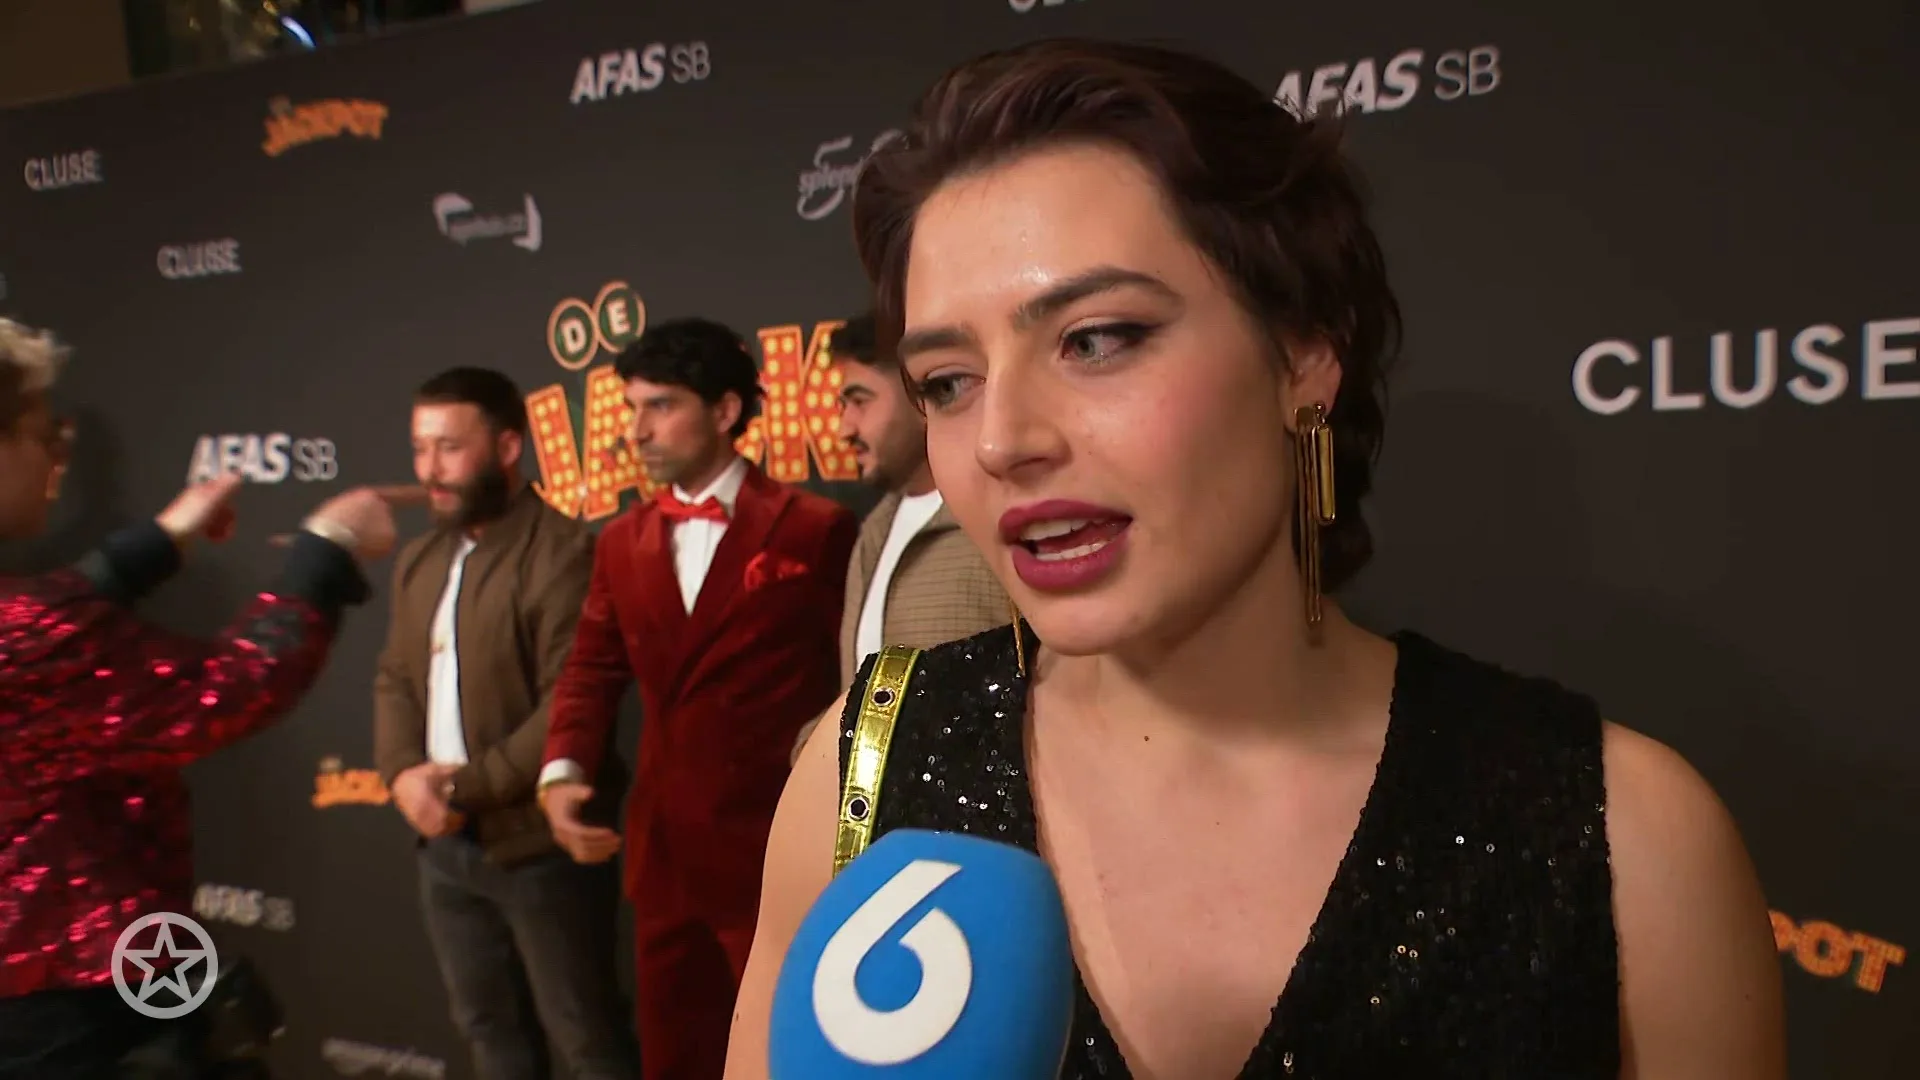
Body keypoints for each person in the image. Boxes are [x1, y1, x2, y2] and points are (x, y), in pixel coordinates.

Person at [725, 40, 1787, 1080]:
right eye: (948, 382)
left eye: (1095, 339)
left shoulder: (1626, 838)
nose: (1002, 440)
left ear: (1303, 354)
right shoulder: (863, 772)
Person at [0, 316, 407, 1077]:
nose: (58, 455)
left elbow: (60, 611)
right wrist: (328, 551)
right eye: (41, 433)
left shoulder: (34, 621)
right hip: (70, 1009)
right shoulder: (28, 633)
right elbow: (235, 685)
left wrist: (157, 544)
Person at [537, 318, 858, 1080]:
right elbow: (591, 668)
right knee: (674, 1057)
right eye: (632, 408)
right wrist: (563, 769)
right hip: (665, 855)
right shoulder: (620, 541)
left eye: (661, 406)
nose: (637, 431)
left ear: (724, 410)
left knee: (785, 1057)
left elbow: (853, 672)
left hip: (776, 846)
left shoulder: (815, 529)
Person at [373, 367, 638, 1080]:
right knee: (489, 1032)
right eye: (420, 448)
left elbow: (569, 704)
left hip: (541, 849)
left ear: (509, 447)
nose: (430, 470)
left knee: (587, 1039)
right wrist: (401, 775)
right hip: (444, 850)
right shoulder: (420, 559)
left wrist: (457, 789)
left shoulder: (564, 552)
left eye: (450, 448)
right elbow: (395, 677)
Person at [789, 311, 1009, 765]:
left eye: (860, 401)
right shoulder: (874, 529)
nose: (845, 428)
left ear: (921, 395)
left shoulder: (995, 520)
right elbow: (862, 692)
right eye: (842, 406)